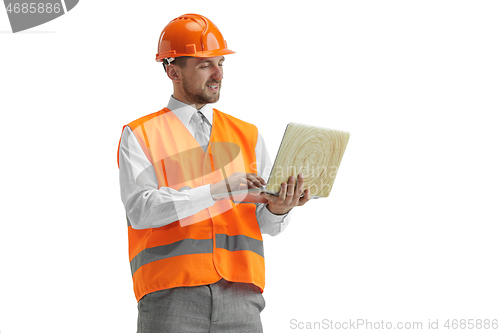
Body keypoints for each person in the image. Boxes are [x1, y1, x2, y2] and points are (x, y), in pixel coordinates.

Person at [118, 13, 311, 332]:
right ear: (172, 70)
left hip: (242, 295)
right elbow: (141, 211)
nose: (218, 73)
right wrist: (216, 190)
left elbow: (266, 224)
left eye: (221, 63)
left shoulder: (247, 134)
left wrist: (279, 208)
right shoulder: (141, 134)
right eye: (205, 64)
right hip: (170, 294)